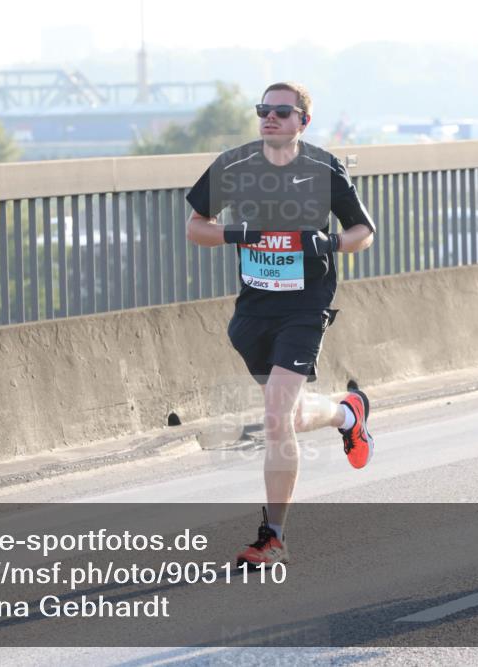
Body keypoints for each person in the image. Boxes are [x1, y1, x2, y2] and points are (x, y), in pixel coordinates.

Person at [185, 82, 376, 568]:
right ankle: (346, 414)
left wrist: (329, 244)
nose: (270, 118)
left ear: (302, 123)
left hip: (305, 308)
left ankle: (272, 538)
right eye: (263, 110)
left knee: (275, 416)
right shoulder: (234, 165)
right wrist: (236, 234)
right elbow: (196, 226)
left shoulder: (322, 167)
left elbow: (362, 233)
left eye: (281, 112)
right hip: (254, 311)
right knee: (285, 417)